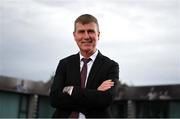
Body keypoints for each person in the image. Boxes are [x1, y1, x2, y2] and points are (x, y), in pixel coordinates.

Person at [50, 14, 119, 118]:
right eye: (81, 32)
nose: (86, 36)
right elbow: (55, 99)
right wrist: (95, 94)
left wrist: (71, 90)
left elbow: (105, 99)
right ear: (74, 36)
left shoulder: (111, 66)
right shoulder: (64, 64)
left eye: (91, 31)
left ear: (98, 35)